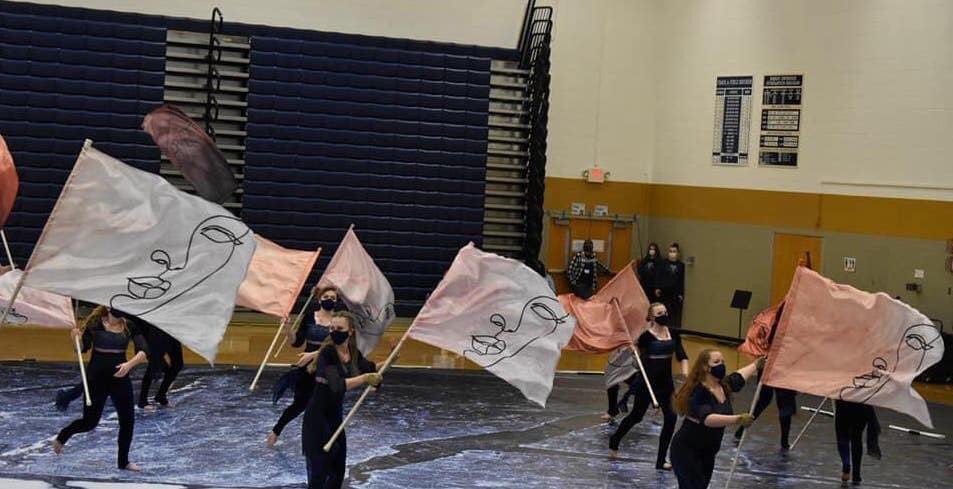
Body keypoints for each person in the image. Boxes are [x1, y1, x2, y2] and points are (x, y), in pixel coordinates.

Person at [53, 306, 149, 472]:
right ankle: (63, 436)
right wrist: (75, 338)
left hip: (120, 379)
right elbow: (82, 349)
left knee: (128, 422)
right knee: (89, 423)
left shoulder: (130, 325)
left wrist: (129, 365)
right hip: (96, 379)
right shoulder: (95, 323)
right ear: (108, 308)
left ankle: (123, 462)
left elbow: (144, 351)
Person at [299, 311, 381, 489]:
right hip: (317, 418)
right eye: (332, 328)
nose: (335, 331)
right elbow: (336, 385)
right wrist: (366, 378)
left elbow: (369, 368)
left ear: (350, 331)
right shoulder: (327, 353)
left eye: (340, 328)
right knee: (320, 470)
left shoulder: (352, 352)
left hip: (335, 417)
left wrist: (389, 361)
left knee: (338, 469)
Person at [609, 303, 689, 470]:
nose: (664, 315)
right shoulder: (646, 337)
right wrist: (634, 352)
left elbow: (682, 355)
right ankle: (615, 439)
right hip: (648, 384)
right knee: (636, 416)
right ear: (652, 317)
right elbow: (638, 362)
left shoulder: (673, 334)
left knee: (671, 419)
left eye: (666, 312)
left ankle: (661, 461)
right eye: (660, 313)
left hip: (666, 384)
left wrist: (685, 374)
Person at [670, 349, 761, 488]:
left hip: (708, 453)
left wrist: (756, 364)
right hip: (686, 452)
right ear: (705, 367)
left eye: (723, 361)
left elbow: (739, 377)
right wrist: (737, 419)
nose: (722, 365)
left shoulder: (723, 386)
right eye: (717, 362)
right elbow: (707, 419)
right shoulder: (697, 391)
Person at [266, 286, 337, 448]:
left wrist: (315, 354)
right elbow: (296, 342)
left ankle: (325, 439)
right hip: (307, 368)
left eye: (333, 298)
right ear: (319, 299)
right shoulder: (310, 317)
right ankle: (275, 431)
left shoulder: (338, 321)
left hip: (327, 367)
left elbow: (336, 346)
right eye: (326, 297)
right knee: (300, 403)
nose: (330, 300)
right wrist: (287, 327)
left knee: (325, 404)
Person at [733, 375, 798, 450]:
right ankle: (785, 444)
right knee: (781, 404)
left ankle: (739, 432)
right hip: (780, 370)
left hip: (775, 369)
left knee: (768, 401)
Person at [137, 317, 183, 411]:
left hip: (172, 330)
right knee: (154, 366)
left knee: (178, 364)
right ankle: (142, 401)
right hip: (157, 329)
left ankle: (161, 395)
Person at [834, 400, 880, 487]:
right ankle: (856, 475)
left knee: (842, 437)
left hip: (843, 403)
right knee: (857, 439)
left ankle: (846, 465)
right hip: (862, 406)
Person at [655, 243, 686, 327]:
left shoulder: (681, 266)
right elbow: (658, 276)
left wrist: (680, 293)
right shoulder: (663, 263)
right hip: (664, 291)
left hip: (675, 293)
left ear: (678, 253)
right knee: (663, 310)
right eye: (670, 251)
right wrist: (657, 287)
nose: (672, 253)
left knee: (674, 312)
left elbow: (681, 280)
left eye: (674, 251)